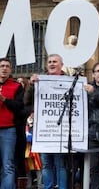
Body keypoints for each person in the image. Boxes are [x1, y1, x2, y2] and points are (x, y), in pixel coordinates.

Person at [29, 54, 68, 189]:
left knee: (60, 164)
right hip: (44, 129)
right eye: (49, 62)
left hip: (61, 130)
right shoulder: (39, 80)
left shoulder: (69, 81)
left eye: (55, 62)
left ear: (61, 65)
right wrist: (30, 85)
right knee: (46, 163)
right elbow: (27, 101)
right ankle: (48, 187)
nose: (51, 64)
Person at [0, 57, 24, 189]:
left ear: (10, 69)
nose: (4, 68)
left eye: (7, 66)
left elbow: (19, 107)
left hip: (8, 130)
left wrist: (4, 99)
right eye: (2, 66)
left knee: (7, 165)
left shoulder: (16, 86)